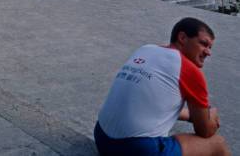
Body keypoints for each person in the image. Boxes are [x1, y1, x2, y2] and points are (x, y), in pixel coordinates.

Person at [95, 17, 230, 156]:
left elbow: (154, 104)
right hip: (136, 149)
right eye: (203, 44)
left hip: (102, 139)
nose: (208, 52)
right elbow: (205, 131)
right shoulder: (189, 70)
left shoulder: (145, 49)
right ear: (182, 37)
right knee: (217, 143)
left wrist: (192, 116)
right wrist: (210, 116)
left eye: (210, 47)